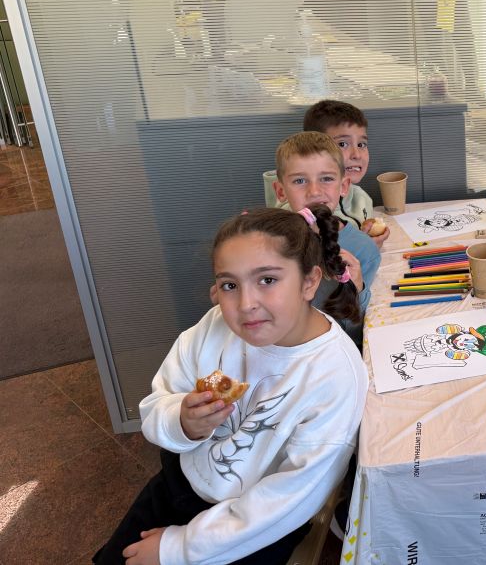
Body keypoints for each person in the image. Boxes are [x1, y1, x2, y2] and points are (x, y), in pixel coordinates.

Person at [94, 205, 367, 565]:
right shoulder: (213, 328)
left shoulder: (335, 374)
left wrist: (177, 548)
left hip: (257, 526)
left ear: (309, 282)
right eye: (229, 285)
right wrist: (182, 422)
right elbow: (159, 402)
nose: (246, 304)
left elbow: (290, 497)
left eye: (267, 280)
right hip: (181, 483)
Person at [272, 132, 382, 342]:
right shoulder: (267, 242)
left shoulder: (363, 250)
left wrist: (357, 289)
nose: (314, 191)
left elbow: (357, 335)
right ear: (280, 191)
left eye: (326, 179)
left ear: (343, 186)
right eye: (300, 180)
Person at [301, 99, 390, 248]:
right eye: (342, 144)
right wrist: (363, 247)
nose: (357, 155)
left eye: (361, 144)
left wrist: (367, 236)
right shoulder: (304, 210)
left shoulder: (362, 198)